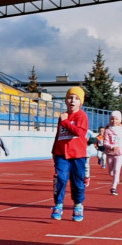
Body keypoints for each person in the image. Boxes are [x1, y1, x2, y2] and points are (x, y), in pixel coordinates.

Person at [50, 86, 90, 221]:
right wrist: (54, 150)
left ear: (81, 102)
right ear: (66, 100)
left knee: (77, 182)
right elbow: (58, 134)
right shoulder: (62, 116)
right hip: (62, 154)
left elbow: (80, 133)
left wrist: (66, 122)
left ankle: (78, 205)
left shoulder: (81, 116)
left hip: (78, 155)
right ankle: (58, 204)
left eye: (76, 98)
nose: (73, 100)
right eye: (70, 97)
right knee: (60, 178)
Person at [101, 110, 122, 195]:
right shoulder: (108, 130)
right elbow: (105, 142)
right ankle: (116, 178)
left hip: (120, 153)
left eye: (116, 119)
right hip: (110, 153)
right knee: (111, 172)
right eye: (112, 119)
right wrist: (111, 147)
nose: (114, 121)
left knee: (116, 170)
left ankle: (113, 187)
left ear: (120, 120)